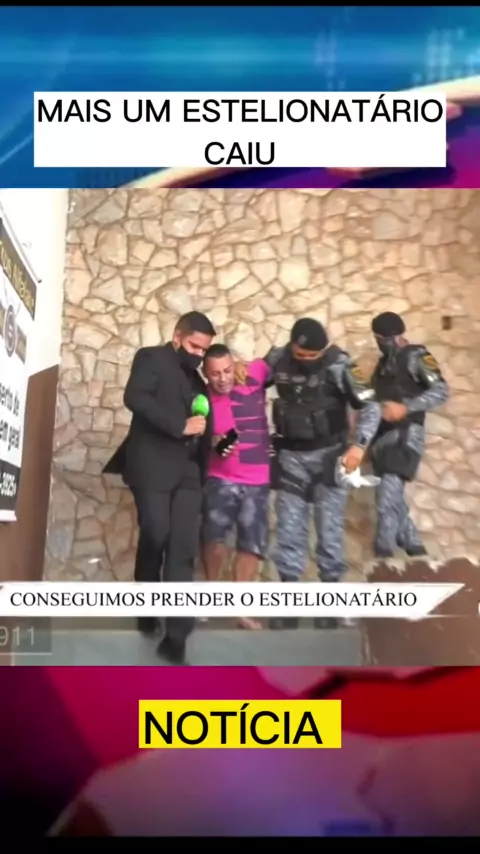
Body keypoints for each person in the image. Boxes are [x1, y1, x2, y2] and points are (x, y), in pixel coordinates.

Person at [237, 317, 381, 630]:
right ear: (292, 346)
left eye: (314, 356)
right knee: (289, 533)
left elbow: (372, 407)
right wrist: (240, 371)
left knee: (329, 533)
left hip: (331, 458)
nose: (307, 360)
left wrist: (359, 447)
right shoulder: (277, 359)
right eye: (301, 355)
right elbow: (248, 382)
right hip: (291, 458)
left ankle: (328, 605)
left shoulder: (341, 365)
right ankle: (289, 605)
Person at [103, 311, 216, 664]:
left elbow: (204, 424)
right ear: (178, 336)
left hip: (189, 475)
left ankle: (176, 636)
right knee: (155, 536)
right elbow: (135, 397)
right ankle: (147, 608)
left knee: (182, 549)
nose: (199, 354)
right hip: (151, 468)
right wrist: (178, 425)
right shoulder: (151, 358)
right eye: (194, 346)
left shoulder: (198, 381)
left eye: (204, 349)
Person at [201, 343, 272, 631]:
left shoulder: (253, 372)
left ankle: (240, 609)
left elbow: (278, 360)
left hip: (258, 478)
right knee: (213, 539)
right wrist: (211, 441)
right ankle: (209, 596)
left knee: (251, 545)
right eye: (215, 373)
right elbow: (192, 435)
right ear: (206, 374)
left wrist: (245, 363)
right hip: (221, 477)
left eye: (227, 370)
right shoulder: (201, 398)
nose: (223, 378)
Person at [369, 311, 449, 559]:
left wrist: (406, 407)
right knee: (392, 498)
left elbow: (441, 390)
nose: (380, 343)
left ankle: (383, 555)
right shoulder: (382, 366)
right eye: (377, 338)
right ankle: (415, 549)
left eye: (382, 339)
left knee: (386, 498)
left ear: (395, 336)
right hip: (382, 440)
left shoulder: (418, 356)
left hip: (406, 435)